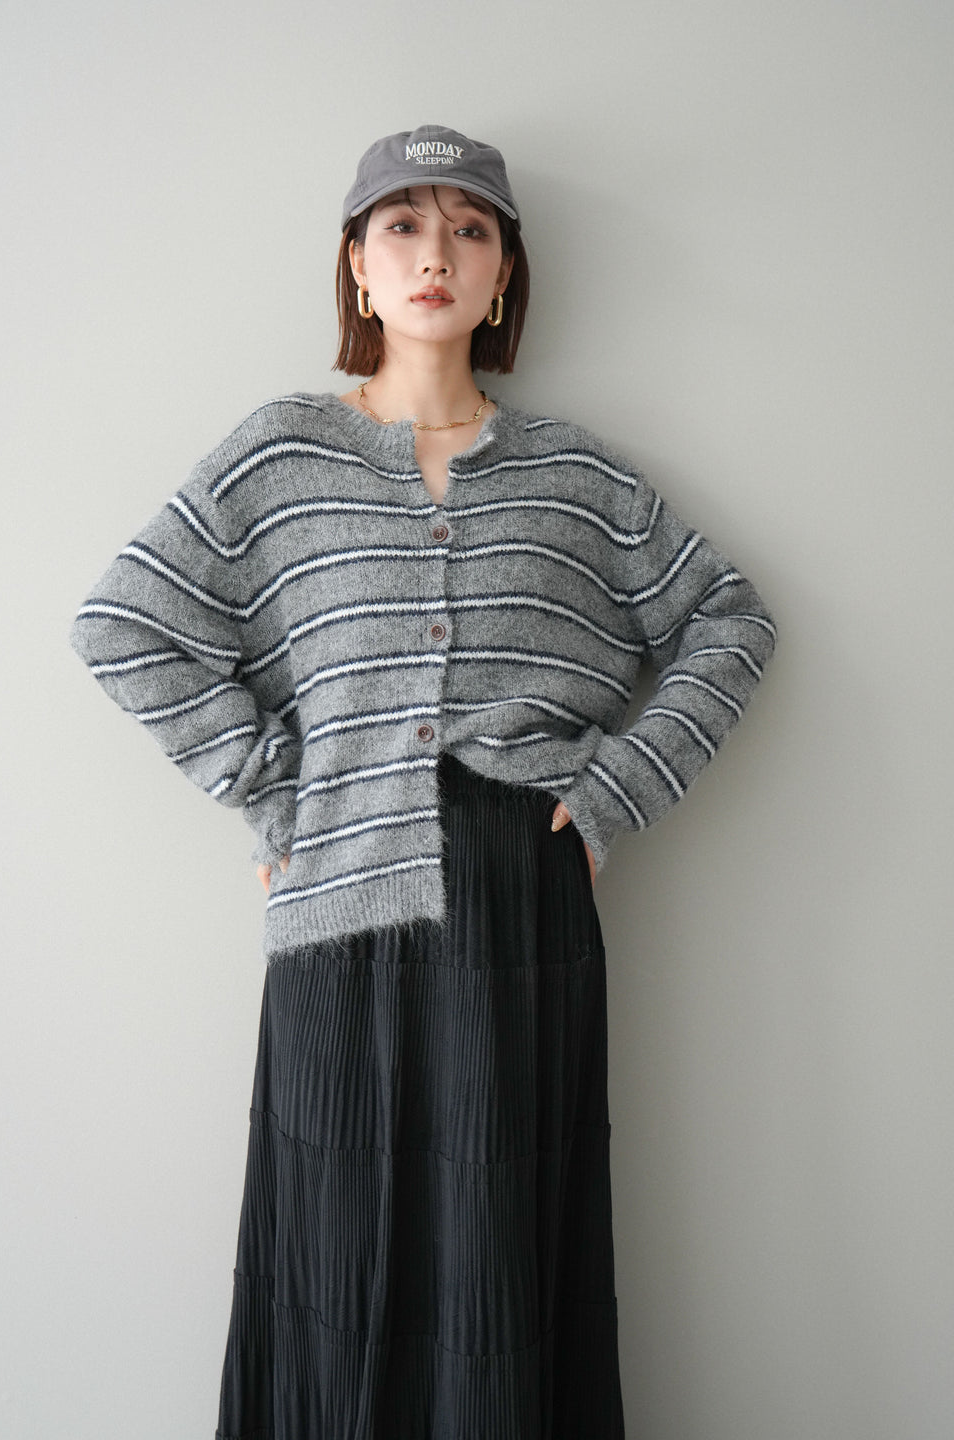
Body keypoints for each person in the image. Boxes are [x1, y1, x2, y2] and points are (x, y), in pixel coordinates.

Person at [70, 123, 776, 1440]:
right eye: (401, 224)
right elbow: (123, 624)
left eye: (470, 228)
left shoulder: (575, 477)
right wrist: (272, 792)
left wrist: (616, 791)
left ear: (504, 274)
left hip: (521, 896)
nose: (434, 252)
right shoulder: (280, 456)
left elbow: (729, 622)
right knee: (330, 1249)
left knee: (495, 1254)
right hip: (336, 893)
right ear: (356, 264)